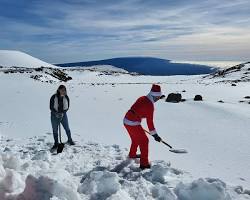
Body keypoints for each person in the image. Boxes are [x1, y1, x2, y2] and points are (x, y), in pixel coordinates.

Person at [123, 84, 163, 169]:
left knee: (136, 139)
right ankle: (144, 164)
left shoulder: (143, 98)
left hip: (127, 120)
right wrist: (155, 135)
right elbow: (150, 122)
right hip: (132, 122)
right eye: (158, 98)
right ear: (155, 96)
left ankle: (132, 154)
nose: (158, 100)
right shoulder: (150, 106)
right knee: (144, 141)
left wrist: (137, 121)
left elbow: (137, 109)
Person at [50, 85, 75, 150]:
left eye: (64, 90)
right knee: (55, 130)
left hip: (63, 115)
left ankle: (70, 140)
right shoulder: (53, 97)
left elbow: (67, 107)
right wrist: (56, 113)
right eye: (62, 90)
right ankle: (56, 143)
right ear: (58, 90)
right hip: (54, 116)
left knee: (67, 128)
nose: (63, 91)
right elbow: (51, 107)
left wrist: (63, 113)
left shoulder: (66, 97)